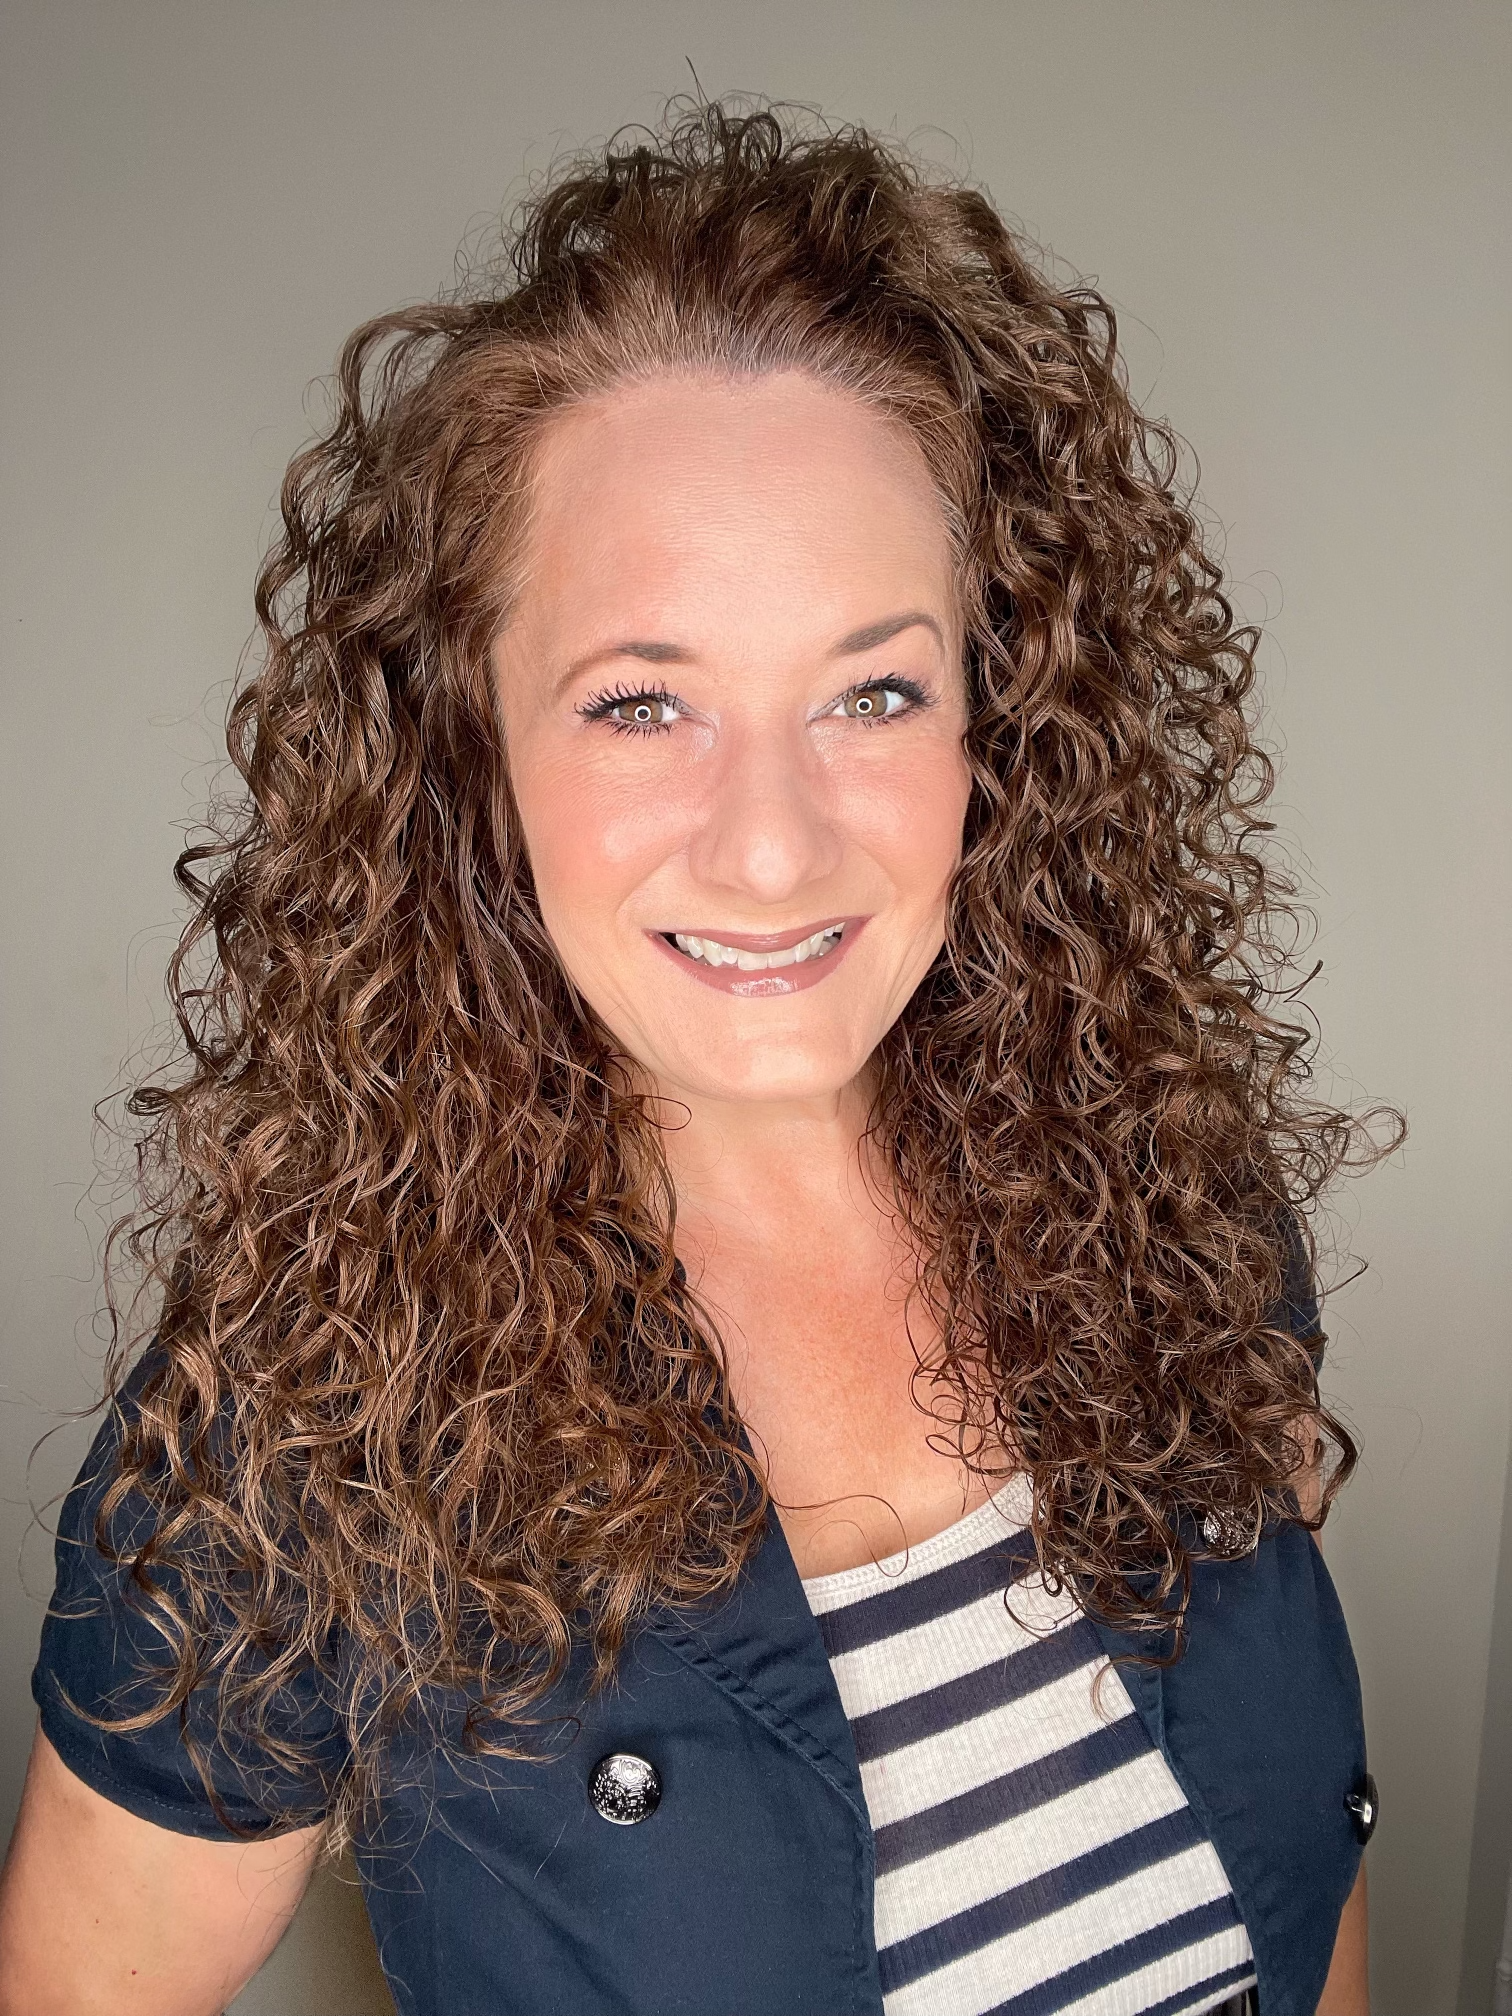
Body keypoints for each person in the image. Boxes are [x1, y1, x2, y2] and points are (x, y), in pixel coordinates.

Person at [0, 103, 1384, 2016]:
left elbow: (1306, 1882)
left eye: (874, 688)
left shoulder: (1177, 1199)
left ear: (1003, 717)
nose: (771, 843)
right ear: (466, 749)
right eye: (642, 702)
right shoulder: (314, 1405)